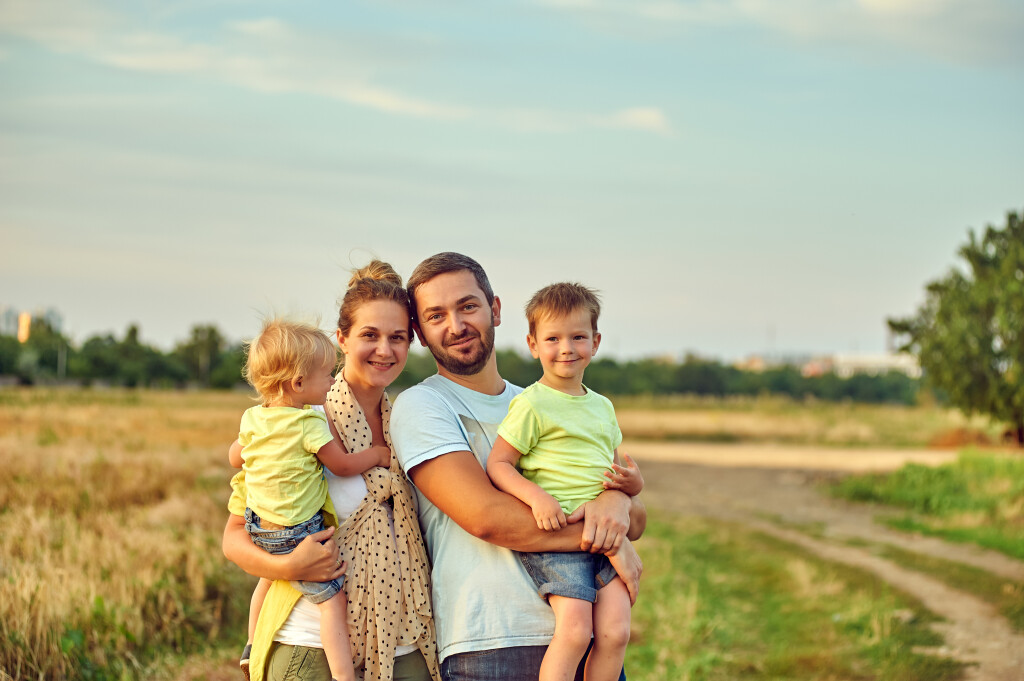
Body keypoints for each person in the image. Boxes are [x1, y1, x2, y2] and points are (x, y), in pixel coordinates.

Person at [389, 253, 645, 681]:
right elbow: (487, 518)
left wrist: (616, 501)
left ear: (496, 309)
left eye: (468, 306)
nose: (456, 325)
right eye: (436, 315)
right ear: (419, 331)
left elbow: (634, 517)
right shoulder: (423, 405)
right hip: (492, 642)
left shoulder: (544, 401)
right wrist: (607, 539)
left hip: (587, 633)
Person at [223, 261, 440, 681]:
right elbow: (234, 537)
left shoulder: (411, 424)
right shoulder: (296, 422)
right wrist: (289, 568)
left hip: (402, 639)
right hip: (310, 643)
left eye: (398, 338)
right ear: (341, 339)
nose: (385, 350)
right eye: (370, 335)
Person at [486, 283, 642, 681]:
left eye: (577, 337)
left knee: (616, 632)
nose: (566, 348)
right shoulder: (532, 404)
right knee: (575, 632)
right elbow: (499, 464)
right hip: (561, 538)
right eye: (552, 338)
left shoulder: (602, 407)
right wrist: (535, 496)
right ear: (533, 344)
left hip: (604, 538)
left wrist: (633, 485)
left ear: (596, 341)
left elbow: (611, 474)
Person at [229, 318, 369, 681]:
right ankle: (343, 676)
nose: (333, 380)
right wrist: (378, 456)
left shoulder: (253, 418)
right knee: (331, 604)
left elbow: (235, 458)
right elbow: (340, 465)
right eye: (327, 374)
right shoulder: (308, 423)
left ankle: (251, 644)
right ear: (299, 383)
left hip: (260, 529)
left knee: (267, 580)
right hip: (298, 533)